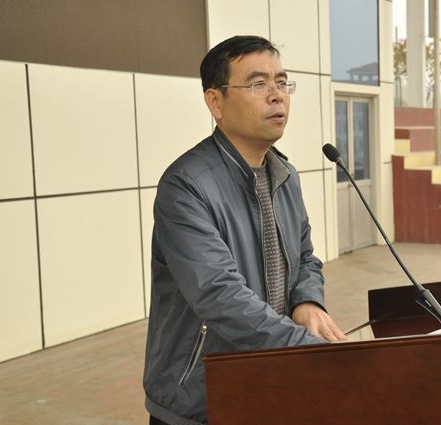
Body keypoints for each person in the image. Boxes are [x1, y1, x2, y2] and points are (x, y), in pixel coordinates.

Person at [143, 35, 347, 425]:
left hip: (270, 386)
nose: (277, 95)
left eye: (282, 82)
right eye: (258, 84)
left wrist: (307, 301)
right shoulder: (186, 186)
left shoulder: (284, 175)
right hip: (200, 401)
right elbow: (219, 294)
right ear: (215, 102)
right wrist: (308, 348)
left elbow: (305, 257)